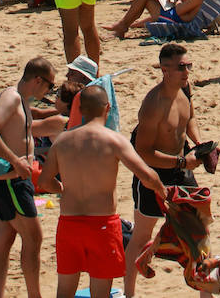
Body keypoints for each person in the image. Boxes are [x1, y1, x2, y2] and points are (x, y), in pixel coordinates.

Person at [38, 83, 166, 298]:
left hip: (69, 224)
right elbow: (147, 176)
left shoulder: (63, 141)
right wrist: (163, 192)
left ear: (80, 110)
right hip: (103, 225)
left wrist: (62, 188)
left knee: (65, 290)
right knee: (101, 291)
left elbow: (44, 181)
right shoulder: (113, 140)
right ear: (107, 108)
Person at [124, 43, 215, 298]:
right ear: (165, 70)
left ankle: (205, 294)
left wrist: (199, 145)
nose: (187, 71)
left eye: (188, 65)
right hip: (153, 174)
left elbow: (190, 119)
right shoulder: (153, 104)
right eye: (180, 67)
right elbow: (143, 152)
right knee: (141, 236)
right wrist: (182, 162)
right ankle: (129, 294)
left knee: (199, 234)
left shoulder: (185, 89)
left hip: (180, 168)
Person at [0, 57, 56, 298]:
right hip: (12, 180)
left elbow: (23, 133)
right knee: (33, 237)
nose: (49, 91)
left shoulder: (20, 101)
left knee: (4, 240)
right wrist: (16, 161)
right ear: (37, 80)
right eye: (49, 86)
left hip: (7, 180)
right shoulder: (12, 98)